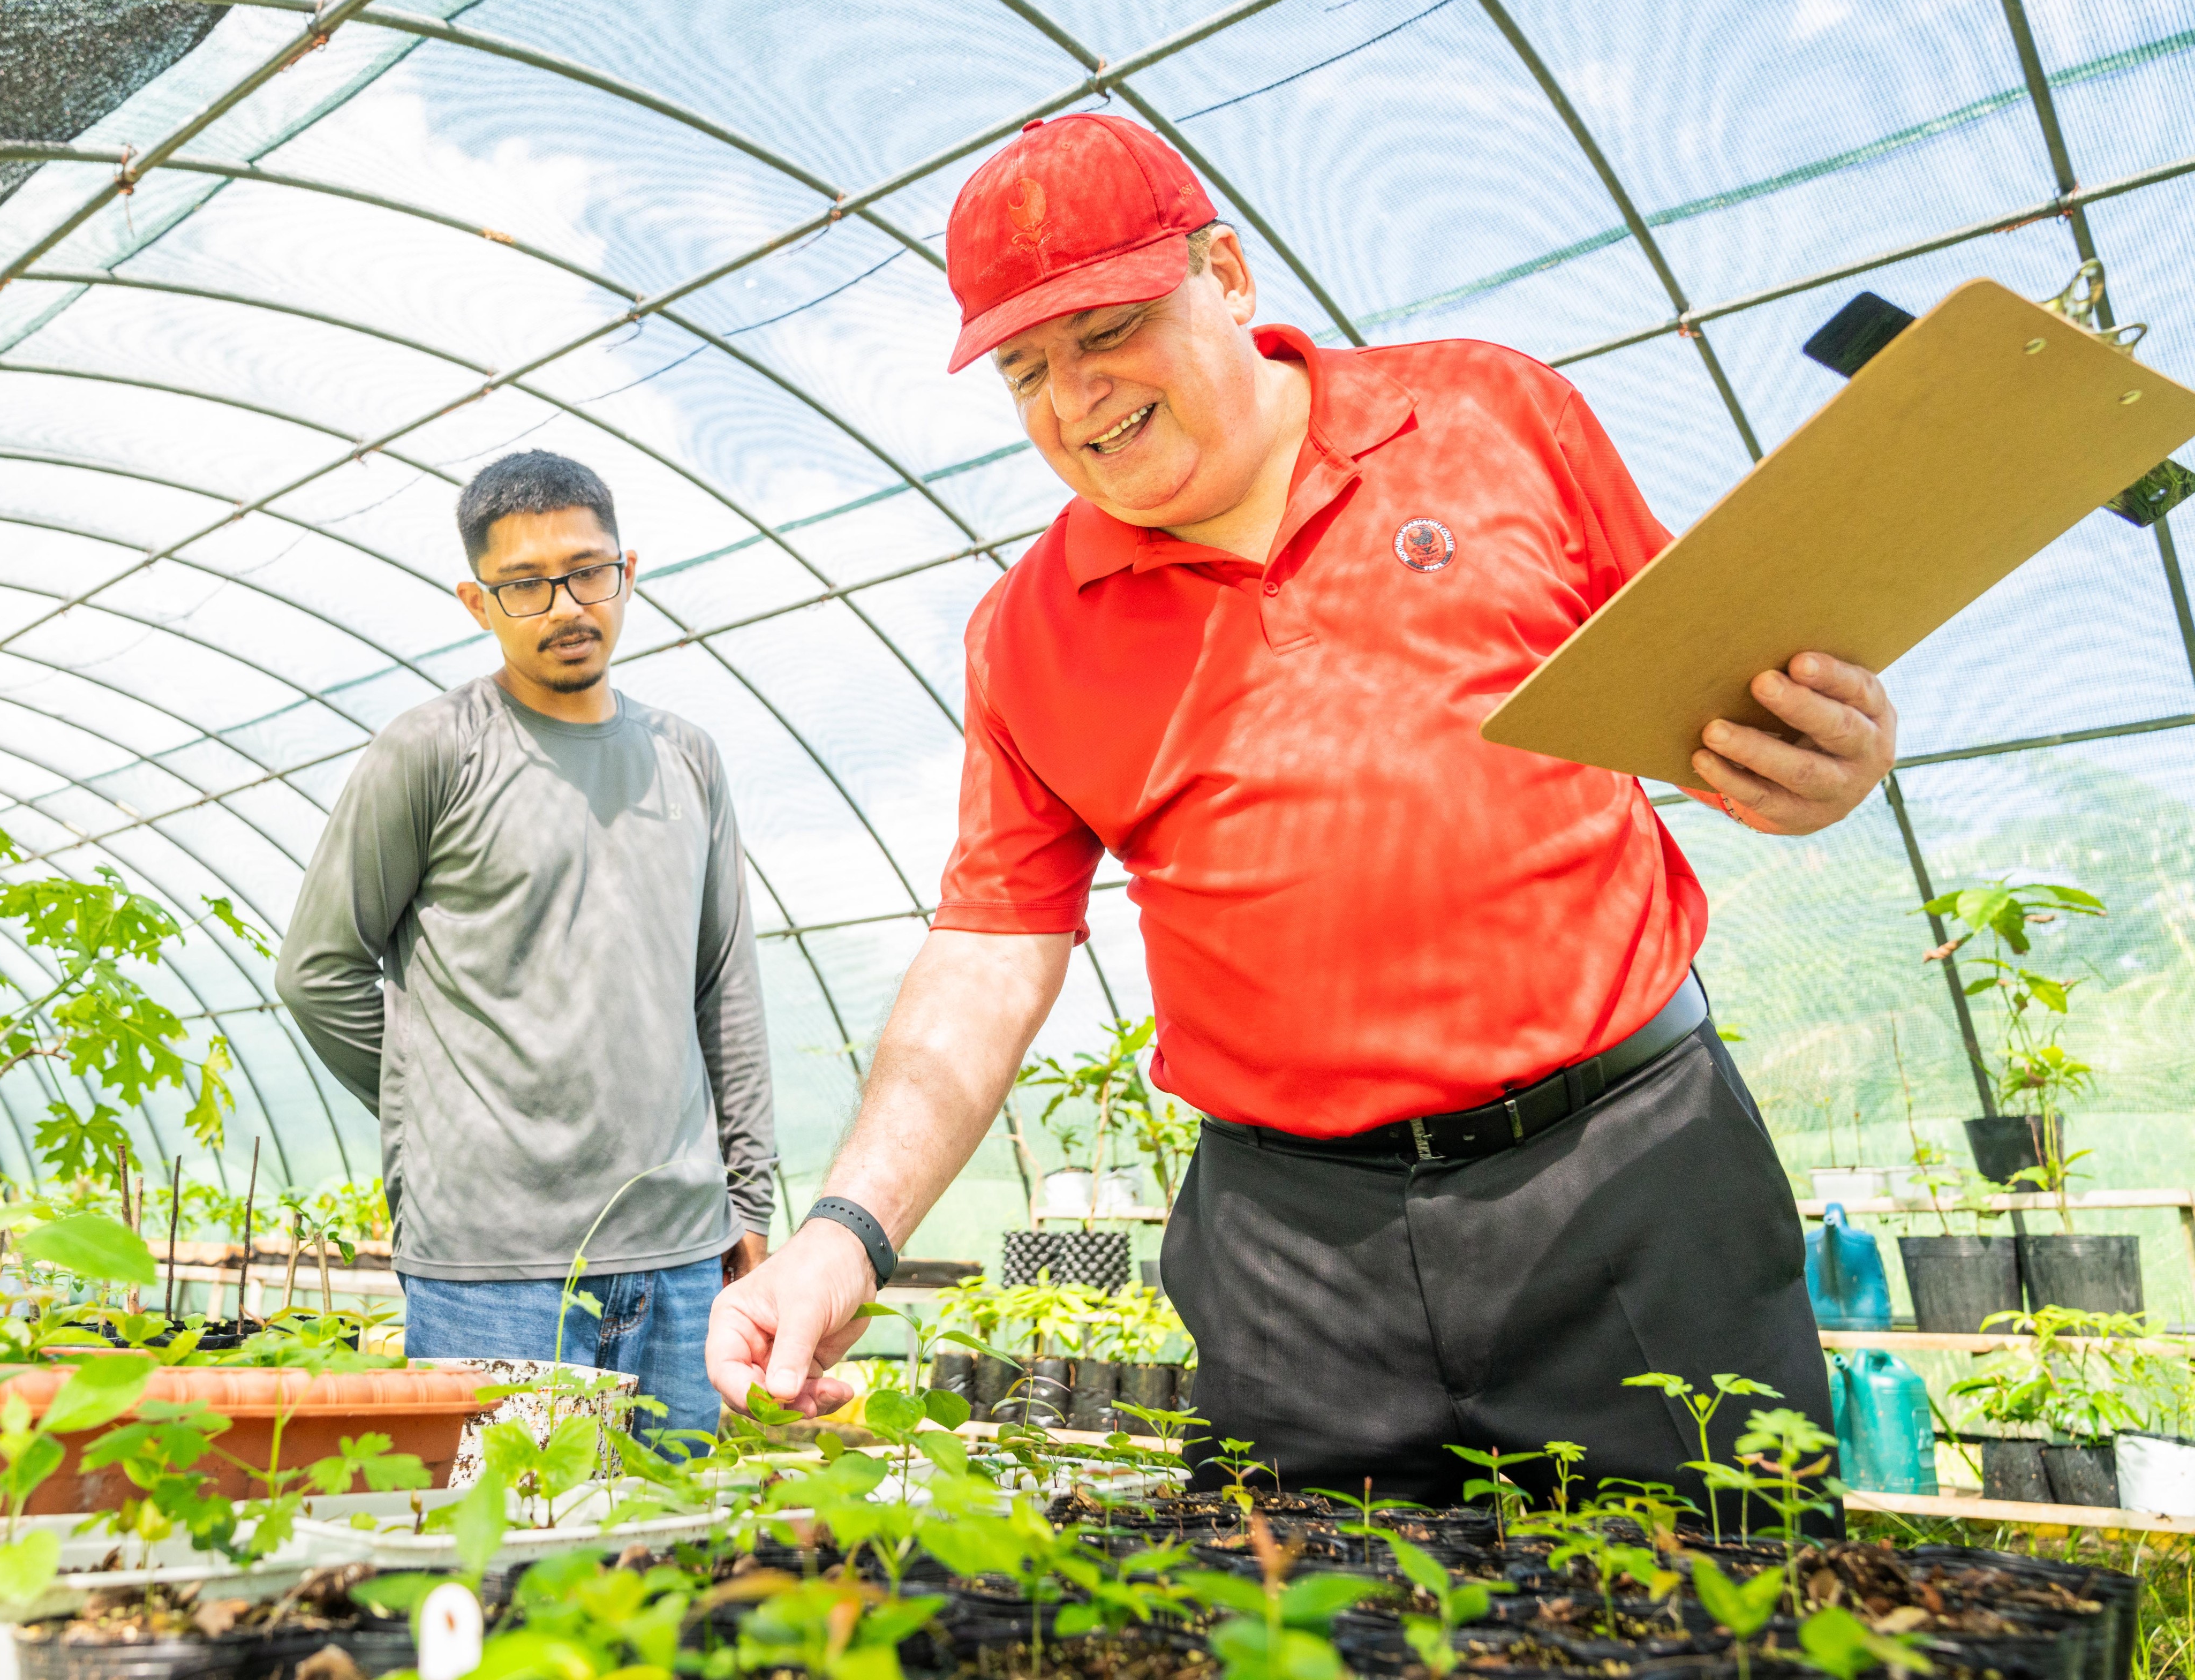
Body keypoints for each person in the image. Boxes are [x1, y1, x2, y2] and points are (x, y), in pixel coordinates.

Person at [706, 115, 1899, 1503]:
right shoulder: (1028, 628)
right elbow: (990, 943)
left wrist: (1817, 756)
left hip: (1627, 1175)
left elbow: (1709, 695)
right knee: (1305, 1623)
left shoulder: (1485, 417)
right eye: (1027, 368)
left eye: (1106, 329)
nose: (1074, 397)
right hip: (1292, 1249)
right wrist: (847, 1229)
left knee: (1723, 1605)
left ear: (1226, 274)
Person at [280, 449, 774, 1441]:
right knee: (504, 1564)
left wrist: (749, 1198)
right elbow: (318, 970)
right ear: (478, 600)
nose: (565, 605)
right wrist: (449, 1104)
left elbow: (724, 986)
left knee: (672, 1565)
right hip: (490, 1264)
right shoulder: (434, 750)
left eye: (589, 572)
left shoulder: (687, 758)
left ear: (626, 572)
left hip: (681, 1254)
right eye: (525, 584)